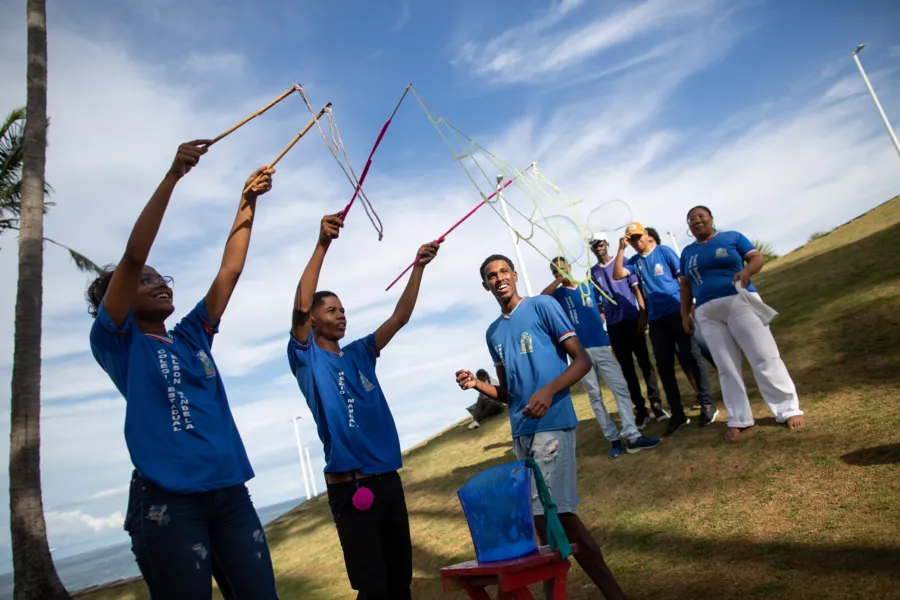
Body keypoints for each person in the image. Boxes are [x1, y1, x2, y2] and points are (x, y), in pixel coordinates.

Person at [87, 141, 279, 600]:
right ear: (119, 296)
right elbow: (133, 257)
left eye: (163, 278)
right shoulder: (118, 340)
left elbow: (229, 271)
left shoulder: (191, 336)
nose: (160, 284)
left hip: (230, 493)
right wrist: (173, 175)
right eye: (147, 280)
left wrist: (246, 203)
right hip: (167, 502)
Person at [456, 254, 628, 600]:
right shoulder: (493, 332)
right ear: (485, 284)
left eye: (504, 271)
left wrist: (549, 391)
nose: (499, 278)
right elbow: (507, 393)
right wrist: (477, 385)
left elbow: (582, 360)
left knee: (553, 515)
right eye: (491, 275)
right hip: (521, 431)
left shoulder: (542, 306)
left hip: (553, 423)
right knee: (546, 523)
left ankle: (613, 594)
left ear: (515, 275)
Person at [287, 211, 439, 600]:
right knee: (373, 588)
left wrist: (418, 267)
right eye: (332, 310)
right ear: (315, 321)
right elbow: (301, 306)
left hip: (387, 480)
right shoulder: (307, 358)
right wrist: (323, 243)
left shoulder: (361, 352)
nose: (342, 315)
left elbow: (400, 317)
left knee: (399, 585)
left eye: (343, 309)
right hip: (350, 488)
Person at [680, 205, 804, 441]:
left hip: (740, 301)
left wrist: (747, 272)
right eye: (691, 219)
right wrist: (684, 314)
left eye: (700, 216)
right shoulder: (687, 253)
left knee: (764, 356)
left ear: (711, 219)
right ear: (688, 227)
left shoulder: (732, 237)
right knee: (726, 367)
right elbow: (685, 285)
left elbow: (757, 257)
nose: (696, 221)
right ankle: (739, 418)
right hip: (707, 312)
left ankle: (788, 410)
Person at [542, 257, 661, 458]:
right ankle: (613, 437)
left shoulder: (588, 286)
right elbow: (542, 298)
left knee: (620, 387)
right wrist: (557, 280)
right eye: (555, 272)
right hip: (580, 353)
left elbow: (603, 302)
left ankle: (632, 435)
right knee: (595, 396)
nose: (561, 274)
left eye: (563, 269)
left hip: (601, 345)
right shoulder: (557, 295)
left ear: (570, 267)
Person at [613, 222, 720, 436]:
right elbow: (616, 275)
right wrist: (621, 249)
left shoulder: (664, 252)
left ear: (645, 235)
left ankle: (708, 405)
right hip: (656, 320)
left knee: (692, 356)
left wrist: (687, 308)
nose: (636, 241)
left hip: (675, 311)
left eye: (638, 237)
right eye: (632, 239)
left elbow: (683, 279)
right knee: (664, 366)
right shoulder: (634, 261)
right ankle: (678, 414)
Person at [589, 236, 667, 424]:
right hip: (614, 326)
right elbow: (599, 305)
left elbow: (636, 290)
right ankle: (640, 409)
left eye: (600, 244)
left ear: (607, 244)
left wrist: (642, 313)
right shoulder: (592, 273)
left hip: (632, 319)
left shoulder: (623, 261)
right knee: (627, 369)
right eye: (594, 246)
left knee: (645, 363)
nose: (598, 248)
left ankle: (656, 404)